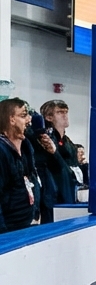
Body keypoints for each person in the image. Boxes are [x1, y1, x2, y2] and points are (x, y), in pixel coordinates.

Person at [0, 98, 40, 233]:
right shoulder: (2, 150)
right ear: (11, 119)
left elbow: (32, 179)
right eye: (23, 115)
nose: (29, 119)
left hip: (28, 220)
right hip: (8, 228)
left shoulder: (27, 147)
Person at [33, 100, 73, 222]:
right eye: (60, 112)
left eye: (66, 112)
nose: (65, 115)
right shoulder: (44, 141)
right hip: (54, 198)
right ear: (49, 117)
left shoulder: (67, 142)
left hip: (69, 193)